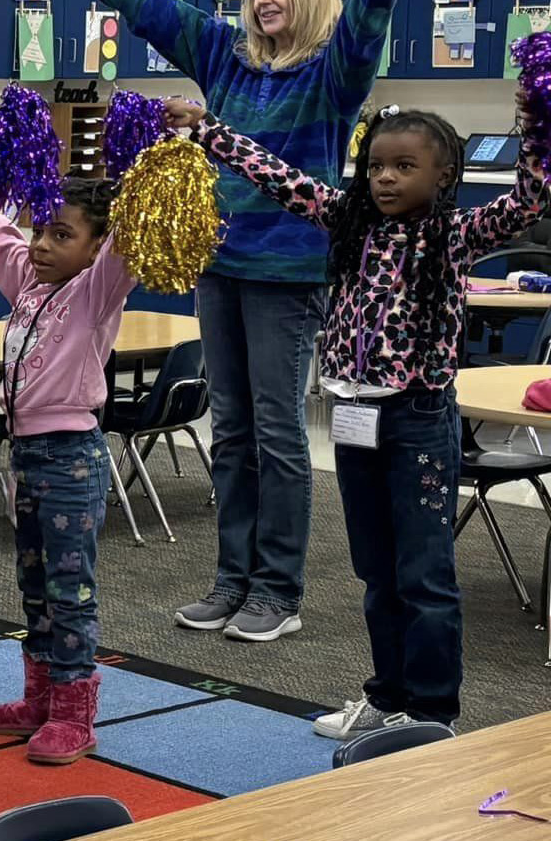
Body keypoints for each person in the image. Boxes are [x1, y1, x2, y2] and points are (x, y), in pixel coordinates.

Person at [46, 0, 423, 642]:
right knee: (231, 433)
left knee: (278, 437)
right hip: (220, 267)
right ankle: (232, 579)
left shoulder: (329, 74)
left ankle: (278, 592)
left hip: (287, 278)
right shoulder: (226, 58)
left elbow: (363, 30)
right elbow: (159, 11)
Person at [167, 96, 548, 737]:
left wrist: (538, 121)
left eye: (404, 166)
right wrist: (205, 130)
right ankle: (387, 696)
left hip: (418, 421)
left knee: (423, 574)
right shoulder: (350, 222)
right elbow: (276, 175)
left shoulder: (454, 234)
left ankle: (430, 713)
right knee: (374, 568)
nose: (386, 179)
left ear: (444, 177)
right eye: (376, 166)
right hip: (354, 419)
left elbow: (529, 202)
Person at [0, 173, 136, 765]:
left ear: (96, 248)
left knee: (71, 592)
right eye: (40, 229)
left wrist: (150, 165)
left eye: (60, 235)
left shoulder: (96, 291)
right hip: (27, 456)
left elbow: (127, 242)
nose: (40, 244)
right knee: (34, 585)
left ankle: (73, 710)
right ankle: (39, 698)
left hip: (71, 458)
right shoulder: (30, 288)